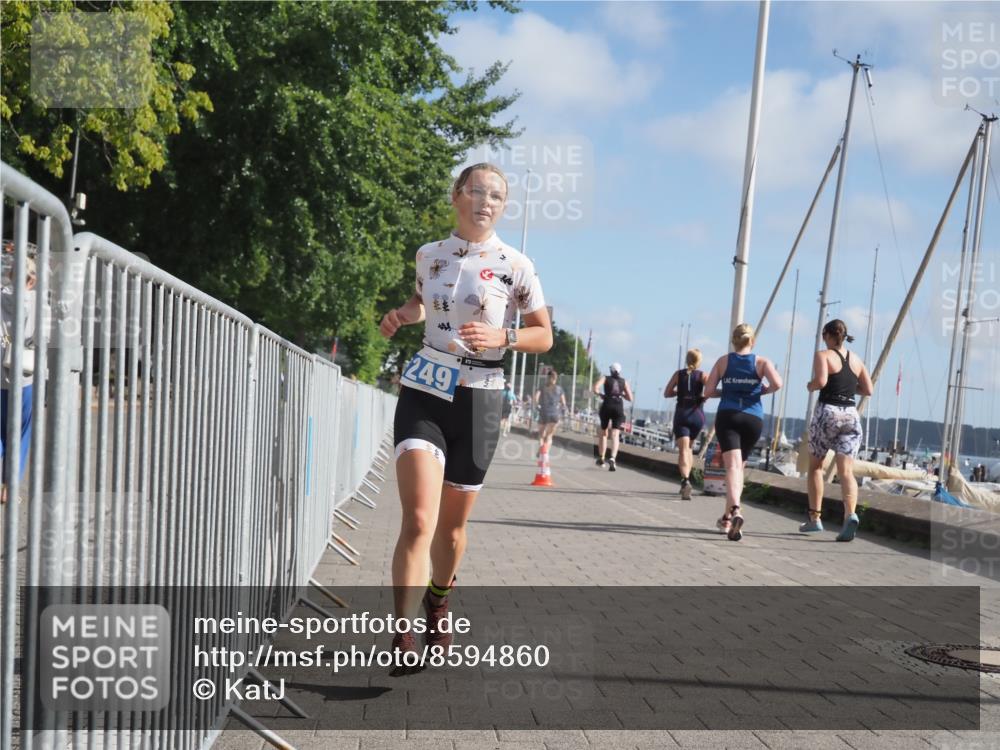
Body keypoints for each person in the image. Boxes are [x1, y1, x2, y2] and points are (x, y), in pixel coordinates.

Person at [378, 162, 552, 675]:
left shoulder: (515, 264)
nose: (486, 202)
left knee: (451, 533)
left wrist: (505, 337)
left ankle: (438, 598)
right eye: (477, 191)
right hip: (424, 391)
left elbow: (544, 334)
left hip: (481, 400)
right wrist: (401, 315)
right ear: (456, 195)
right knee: (418, 520)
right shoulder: (428, 255)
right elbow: (421, 302)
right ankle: (404, 633)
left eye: (497, 196)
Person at [702, 324, 782, 541]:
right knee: (738, 470)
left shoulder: (723, 361)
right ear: (752, 341)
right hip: (752, 418)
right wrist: (763, 390)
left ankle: (735, 510)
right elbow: (778, 383)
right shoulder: (762, 362)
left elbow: (707, 391)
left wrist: (725, 391)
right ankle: (727, 519)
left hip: (728, 415)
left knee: (732, 467)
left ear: (733, 341)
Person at [801, 319, 874, 541]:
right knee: (846, 472)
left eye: (824, 336)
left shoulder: (823, 355)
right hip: (851, 414)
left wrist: (809, 385)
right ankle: (850, 515)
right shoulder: (857, 359)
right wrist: (851, 388)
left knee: (815, 467)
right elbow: (868, 389)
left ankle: (815, 519)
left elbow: (822, 381)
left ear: (828, 335)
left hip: (828, 412)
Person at [0, 255, 37, 504]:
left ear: (11, 274)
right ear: (31, 280)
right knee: (21, 432)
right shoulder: (37, 304)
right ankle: (9, 488)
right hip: (25, 376)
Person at [664, 348, 705, 500]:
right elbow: (710, 391)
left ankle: (685, 481)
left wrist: (679, 392)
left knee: (682, 451)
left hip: (682, 414)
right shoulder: (702, 375)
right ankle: (688, 481)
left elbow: (667, 393)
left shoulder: (678, 374)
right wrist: (701, 397)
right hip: (697, 415)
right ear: (699, 361)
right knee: (689, 449)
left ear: (687, 360)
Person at [592, 363, 633, 472]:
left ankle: (601, 457)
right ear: (619, 371)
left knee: (604, 432)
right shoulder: (624, 381)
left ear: (611, 370)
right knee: (615, 434)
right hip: (618, 406)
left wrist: (600, 394)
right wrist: (622, 394)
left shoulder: (605, 378)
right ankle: (613, 458)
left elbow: (595, 388)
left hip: (607, 404)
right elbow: (630, 398)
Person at [534, 369, 566, 457]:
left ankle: (541, 449)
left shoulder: (542, 387)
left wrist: (537, 406)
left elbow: (536, 398)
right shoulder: (560, 389)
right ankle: (545, 452)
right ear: (556, 378)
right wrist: (561, 411)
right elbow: (564, 403)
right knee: (549, 435)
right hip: (555, 414)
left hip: (543, 413)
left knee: (541, 434)